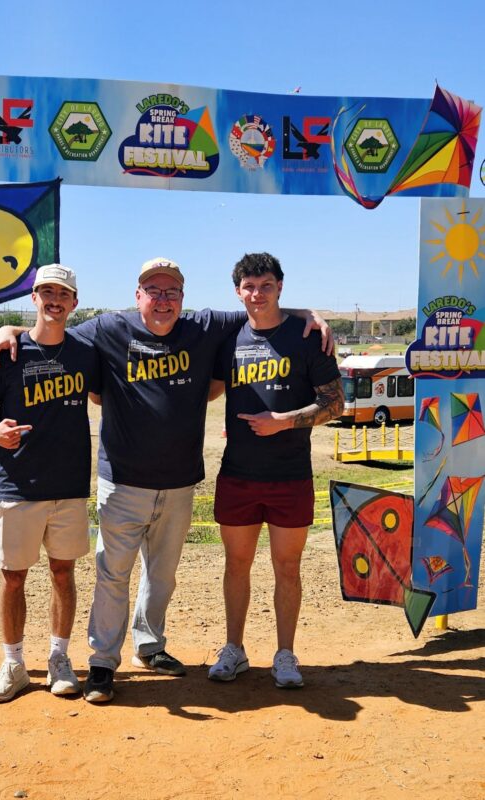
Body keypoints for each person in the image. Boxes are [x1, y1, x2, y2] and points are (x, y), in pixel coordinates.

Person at [0, 257, 332, 704]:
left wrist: (311, 314)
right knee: (113, 575)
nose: (163, 300)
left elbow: (262, 308)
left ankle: (149, 645)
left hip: (180, 481)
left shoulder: (203, 326)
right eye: (153, 291)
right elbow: (52, 328)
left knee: (162, 576)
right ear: (138, 296)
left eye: (171, 292)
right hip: (122, 480)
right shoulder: (109, 328)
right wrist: (8, 329)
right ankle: (102, 662)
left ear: (183, 298)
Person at [207, 253, 343, 688]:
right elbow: (207, 390)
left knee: (287, 567)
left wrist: (284, 421)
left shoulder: (306, 337)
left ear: (280, 287)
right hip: (238, 474)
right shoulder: (229, 338)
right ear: (237, 292)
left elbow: (336, 404)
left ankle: (285, 655)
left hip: (290, 476)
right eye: (249, 287)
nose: (257, 294)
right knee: (236, 565)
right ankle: (234, 649)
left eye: (266, 285)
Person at [0, 264, 100, 703]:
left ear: (74, 303)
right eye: (47, 292)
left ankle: (59, 658)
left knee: (63, 573)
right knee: (13, 578)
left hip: (68, 485)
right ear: (34, 298)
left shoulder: (85, 352)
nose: (54, 301)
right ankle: (13, 664)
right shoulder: (8, 351)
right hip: (18, 482)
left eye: (63, 294)